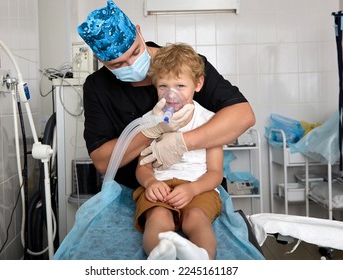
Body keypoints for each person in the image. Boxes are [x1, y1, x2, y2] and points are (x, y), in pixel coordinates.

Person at [78, 0, 255, 190]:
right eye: (117, 64)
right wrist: (149, 132)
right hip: (138, 192)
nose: (131, 65)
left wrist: (182, 142)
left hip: (198, 187)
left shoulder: (184, 65)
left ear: (139, 32)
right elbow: (103, 161)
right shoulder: (97, 87)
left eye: (135, 52)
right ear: (99, 59)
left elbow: (243, 116)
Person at [134, 43, 224, 260]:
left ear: (198, 83)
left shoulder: (210, 122)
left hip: (198, 186)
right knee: (158, 216)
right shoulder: (151, 121)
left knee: (195, 217)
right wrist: (150, 183)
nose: (171, 94)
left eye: (180, 86)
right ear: (154, 85)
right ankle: (160, 256)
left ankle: (202, 259)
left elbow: (215, 172)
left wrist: (193, 190)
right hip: (161, 186)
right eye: (163, 86)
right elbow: (142, 167)